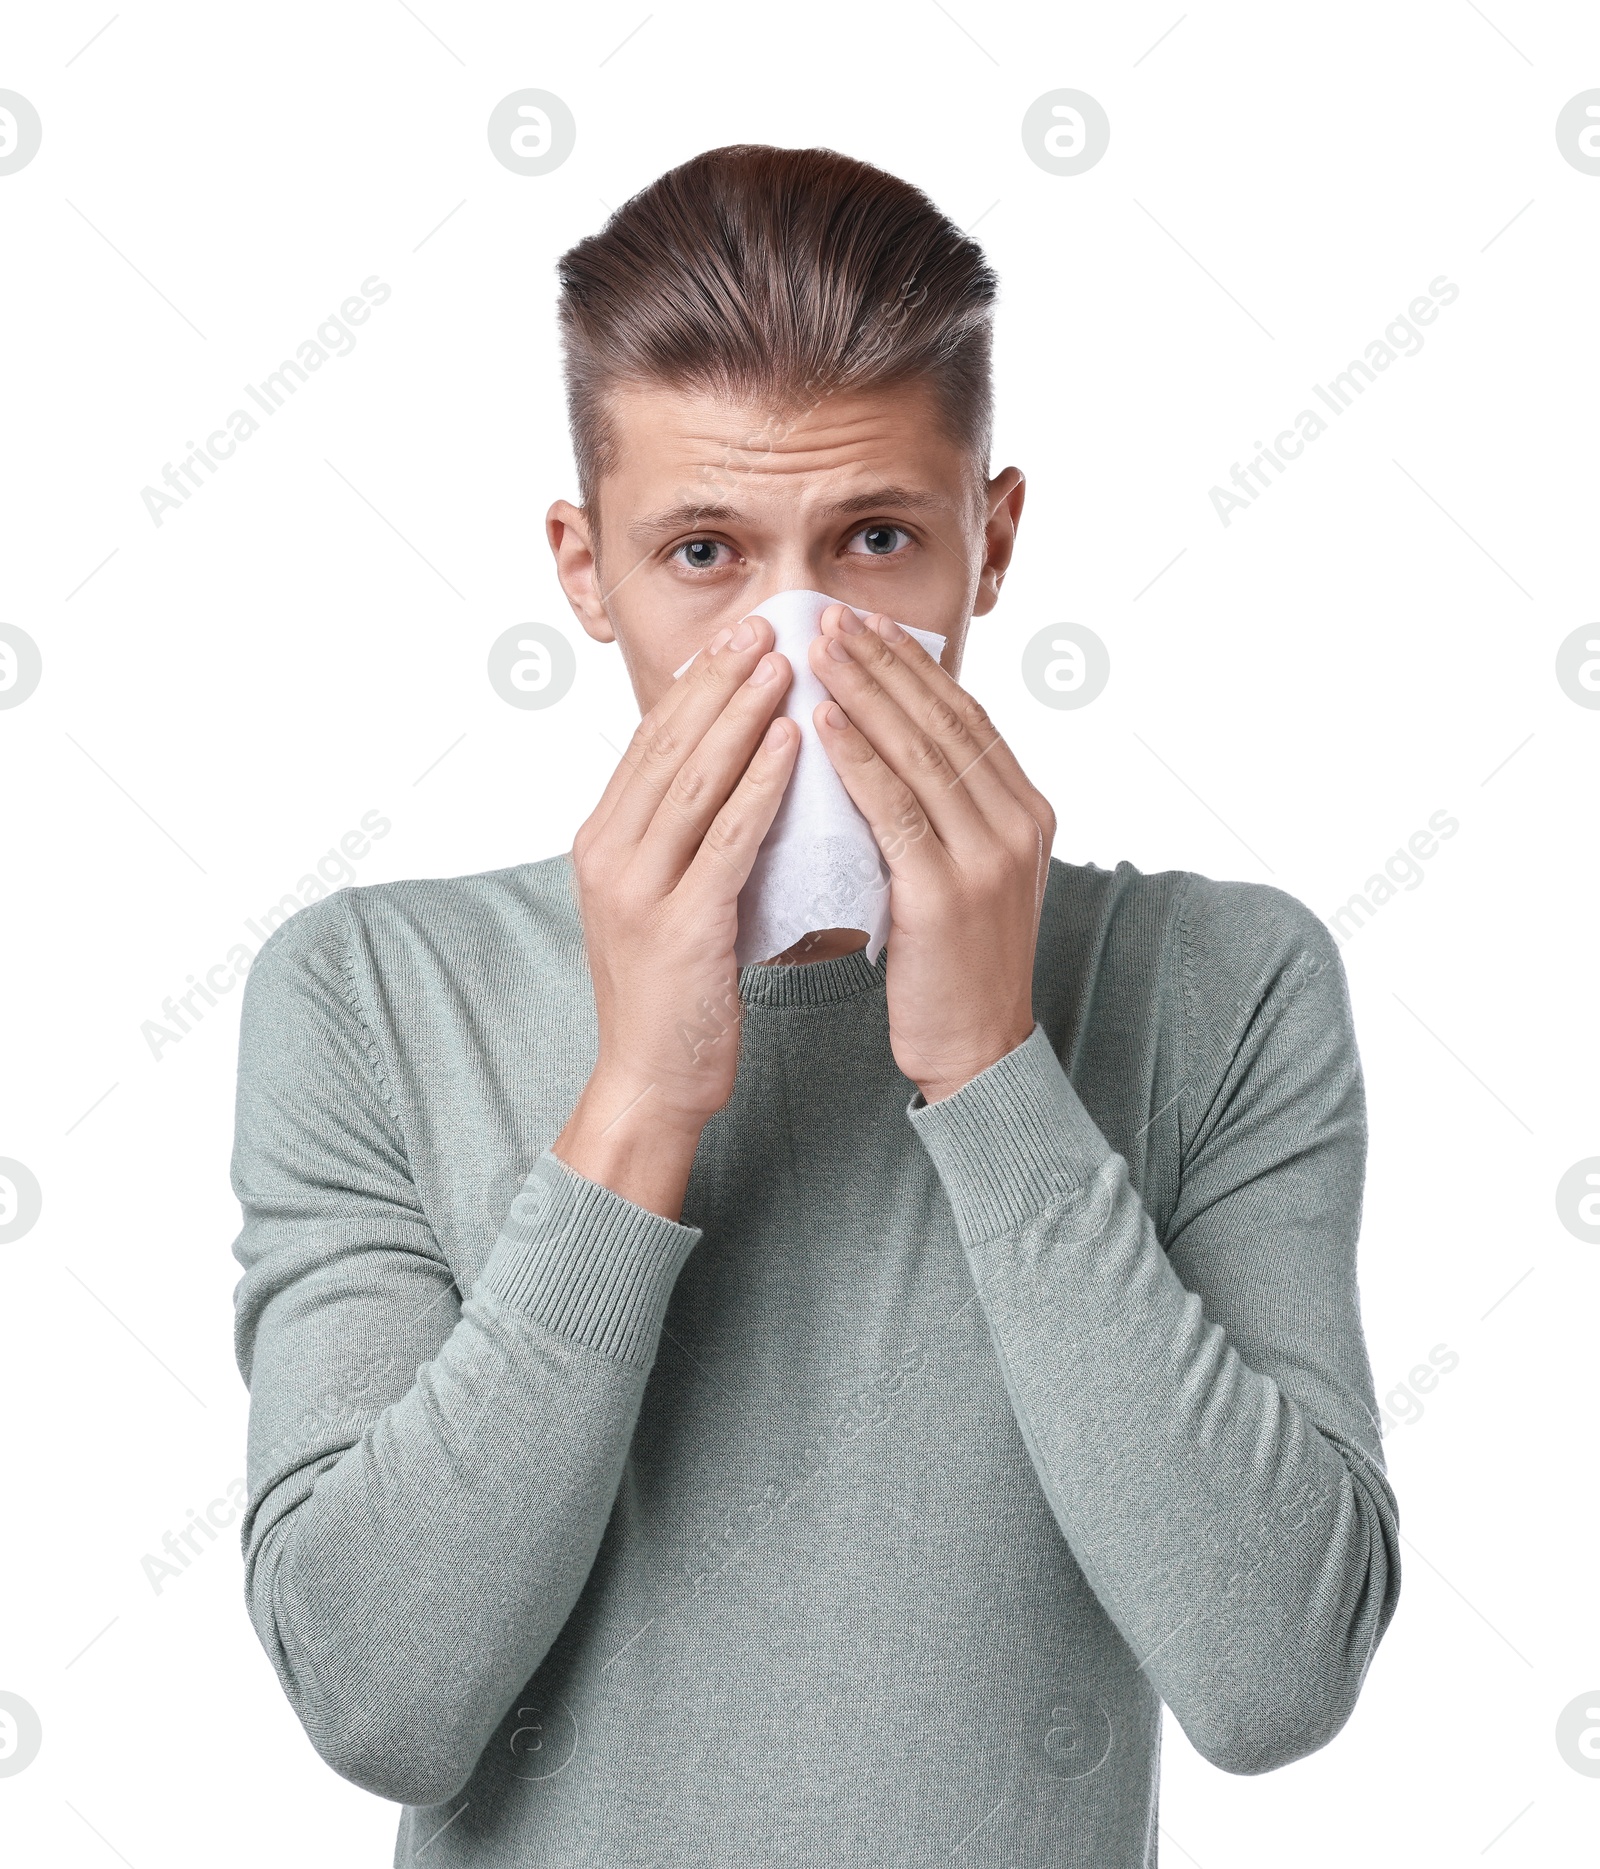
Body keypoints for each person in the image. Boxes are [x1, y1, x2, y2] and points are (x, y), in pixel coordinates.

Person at [229, 144, 1400, 1867]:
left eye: (873, 540)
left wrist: (995, 1071)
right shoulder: (370, 994)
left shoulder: (1224, 983)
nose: (797, 644)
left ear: (989, 544)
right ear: (586, 571)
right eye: (703, 550)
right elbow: (384, 1700)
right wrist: (636, 1098)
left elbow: (1274, 1673)